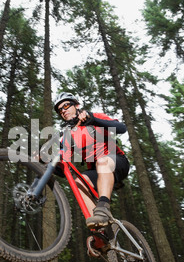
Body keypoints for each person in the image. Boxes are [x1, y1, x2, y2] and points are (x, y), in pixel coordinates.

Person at [54, 92, 130, 229]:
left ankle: (103, 208)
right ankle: (99, 230)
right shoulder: (69, 135)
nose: (63, 111)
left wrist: (93, 120)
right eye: (60, 110)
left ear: (76, 105)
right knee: (79, 182)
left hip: (116, 162)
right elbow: (63, 169)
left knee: (102, 161)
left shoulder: (93, 116)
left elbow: (121, 128)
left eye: (66, 106)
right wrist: (42, 162)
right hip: (96, 171)